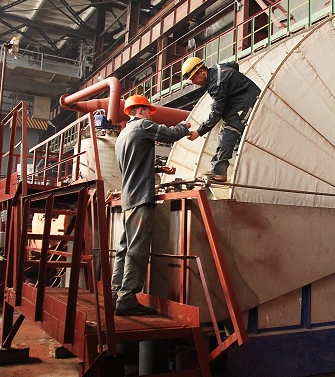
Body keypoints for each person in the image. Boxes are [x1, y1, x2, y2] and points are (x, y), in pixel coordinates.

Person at [112, 94, 191, 316]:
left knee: (123, 249)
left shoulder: (123, 135)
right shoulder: (142, 126)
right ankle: (127, 300)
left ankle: (115, 293)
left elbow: (133, 164)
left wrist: (157, 168)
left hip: (128, 198)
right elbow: (170, 134)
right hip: (140, 197)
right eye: (148, 110)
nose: (150, 114)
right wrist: (186, 126)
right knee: (137, 249)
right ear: (140, 110)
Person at [182, 56, 261, 182]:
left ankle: (218, 172)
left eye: (193, 78)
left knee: (229, 131)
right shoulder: (216, 67)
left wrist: (198, 132)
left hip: (247, 101)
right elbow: (234, 64)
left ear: (201, 71)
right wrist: (236, 85)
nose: (193, 83)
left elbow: (216, 113)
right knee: (236, 143)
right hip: (240, 100)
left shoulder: (217, 84)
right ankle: (244, 173)